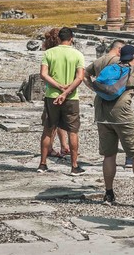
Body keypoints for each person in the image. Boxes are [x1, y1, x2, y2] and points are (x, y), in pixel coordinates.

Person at [83, 42, 134, 207]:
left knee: (109, 155)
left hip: (102, 114)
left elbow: (85, 74)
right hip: (123, 116)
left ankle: (109, 194)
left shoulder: (108, 68)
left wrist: (92, 89)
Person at [37, 27, 85, 175]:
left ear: (58, 39)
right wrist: (66, 92)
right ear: (71, 38)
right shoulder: (78, 54)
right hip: (71, 97)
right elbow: (80, 78)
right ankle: (74, 166)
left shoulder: (49, 53)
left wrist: (58, 86)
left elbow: (43, 74)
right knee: (73, 131)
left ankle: (43, 164)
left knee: (48, 128)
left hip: (52, 95)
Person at [42, 27, 69, 158]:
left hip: (51, 90)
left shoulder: (48, 53)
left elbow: (44, 74)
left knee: (53, 121)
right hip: (61, 89)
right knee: (54, 122)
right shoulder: (59, 53)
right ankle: (52, 148)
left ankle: (60, 146)